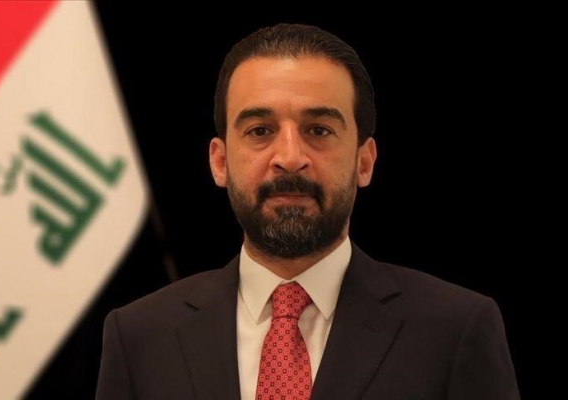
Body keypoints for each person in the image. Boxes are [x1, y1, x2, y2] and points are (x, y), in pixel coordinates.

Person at [95, 23, 520, 400]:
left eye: (319, 130)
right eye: (260, 130)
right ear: (220, 162)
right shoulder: (139, 336)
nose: (290, 157)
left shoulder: (455, 329)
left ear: (364, 162)